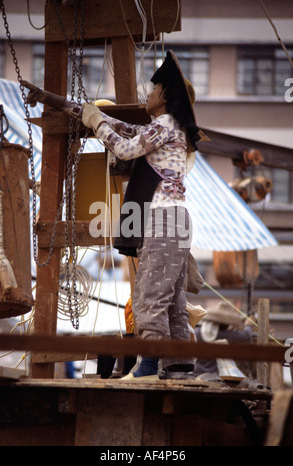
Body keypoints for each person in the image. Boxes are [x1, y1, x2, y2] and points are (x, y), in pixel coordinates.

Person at [82, 50, 207, 381]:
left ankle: (148, 367)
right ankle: (179, 369)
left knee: (149, 297)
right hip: (176, 222)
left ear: (164, 97)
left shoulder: (165, 124)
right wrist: (101, 118)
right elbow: (130, 129)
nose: (147, 95)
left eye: (152, 91)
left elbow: (124, 148)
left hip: (164, 222)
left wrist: (96, 123)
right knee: (173, 304)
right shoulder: (170, 128)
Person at [193, 302, 254, 377]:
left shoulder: (198, 332)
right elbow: (246, 335)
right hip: (215, 375)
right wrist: (248, 325)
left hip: (196, 373)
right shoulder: (221, 334)